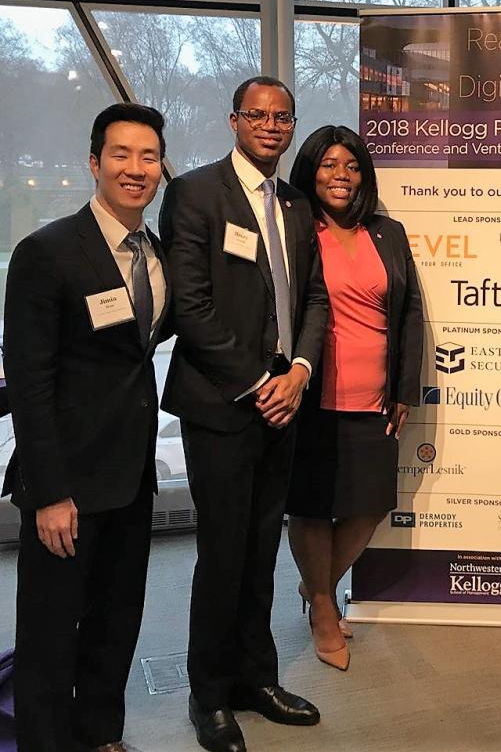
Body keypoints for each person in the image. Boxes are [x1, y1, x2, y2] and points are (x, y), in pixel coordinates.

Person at [160, 76, 329, 752]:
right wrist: (262, 379)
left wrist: (299, 372)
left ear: (292, 126)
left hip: (284, 403)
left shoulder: (293, 201)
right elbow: (191, 307)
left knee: (262, 553)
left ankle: (257, 678)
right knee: (224, 553)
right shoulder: (196, 193)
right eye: (256, 115)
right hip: (223, 405)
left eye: (281, 116)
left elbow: (312, 298)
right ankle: (210, 695)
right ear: (234, 121)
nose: (269, 125)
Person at [3, 103, 170, 752]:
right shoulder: (47, 252)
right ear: (95, 162)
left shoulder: (155, 255)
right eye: (122, 154)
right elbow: (29, 378)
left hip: (131, 479)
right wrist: (49, 491)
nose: (136, 168)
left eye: (148, 156)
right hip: (65, 486)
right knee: (49, 636)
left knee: (115, 623)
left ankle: (102, 735)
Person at [285, 125, 422, 671]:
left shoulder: (387, 232)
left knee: (368, 507)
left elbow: (409, 312)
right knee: (313, 507)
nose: (340, 176)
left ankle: (316, 584)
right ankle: (323, 607)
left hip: (375, 395)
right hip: (312, 393)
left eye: (351, 166)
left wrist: (405, 388)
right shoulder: (296, 228)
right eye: (328, 165)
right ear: (310, 171)